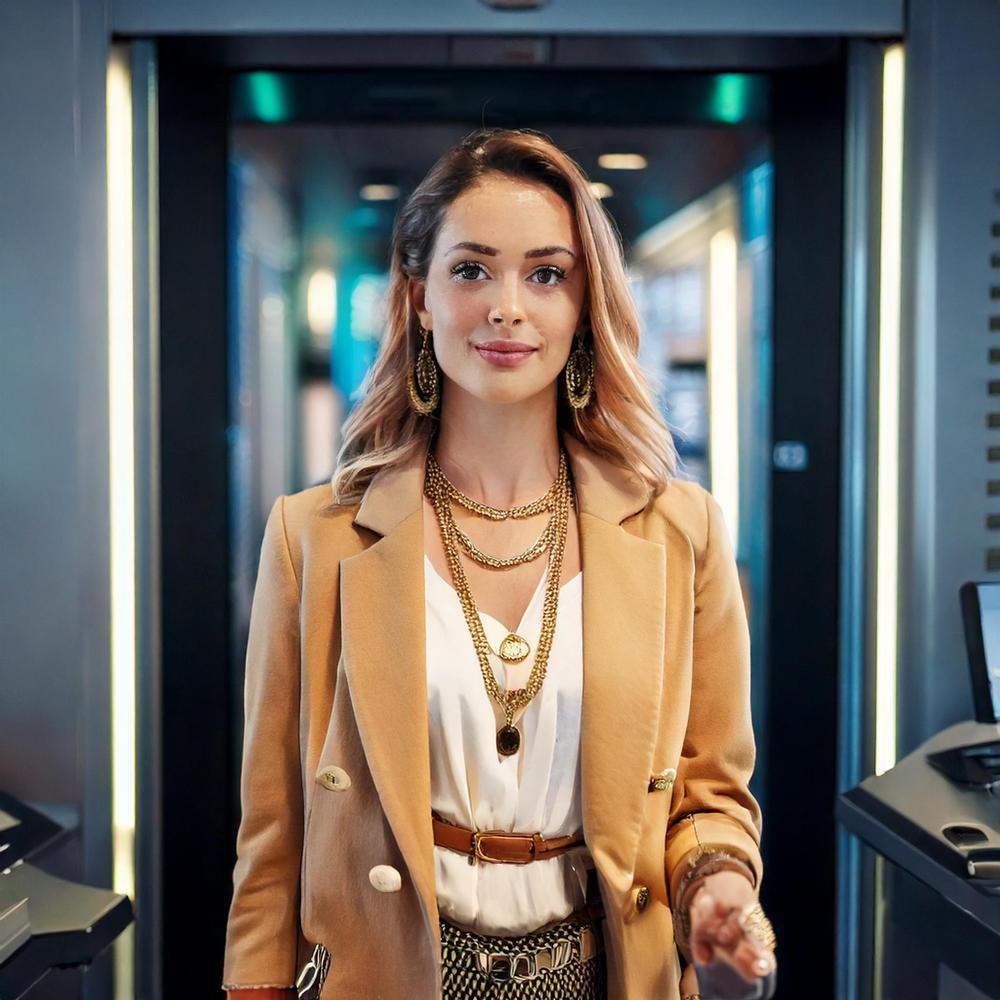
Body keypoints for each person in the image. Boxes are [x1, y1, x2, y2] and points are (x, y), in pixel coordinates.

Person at [221, 126, 777, 999]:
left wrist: (719, 886)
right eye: (472, 269)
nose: (507, 306)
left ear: (583, 304)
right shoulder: (314, 536)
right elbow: (273, 828)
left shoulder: (681, 531)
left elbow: (709, 797)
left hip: (604, 977)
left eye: (546, 274)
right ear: (419, 299)